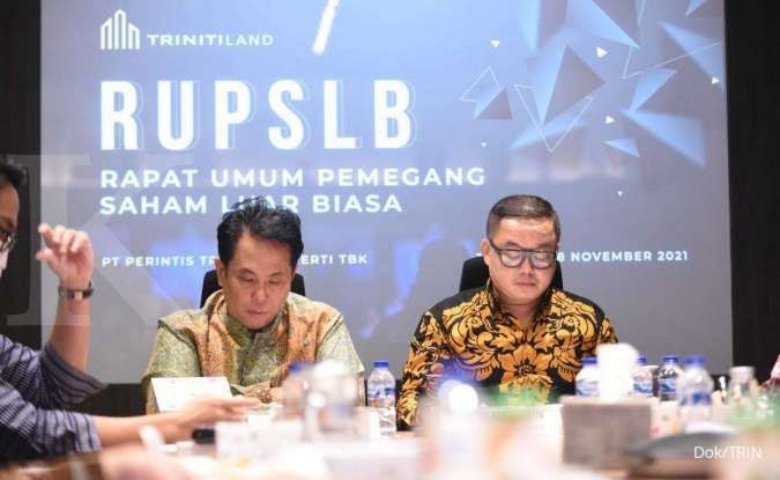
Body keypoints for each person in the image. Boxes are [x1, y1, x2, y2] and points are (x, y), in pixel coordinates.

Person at [0, 158, 258, 464]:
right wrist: (178, 425)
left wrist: (75, 288)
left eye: (6, 235)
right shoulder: (183, 327)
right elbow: (36, 434)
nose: (260, 293)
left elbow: (52, 386)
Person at [397, 194, 618, 429]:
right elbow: (407, 408)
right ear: (487, 251)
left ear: (556, 252)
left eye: (541, 255)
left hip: (565, 448)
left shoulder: (588, 321)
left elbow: (620, 399)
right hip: (477, 448)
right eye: (512, 254)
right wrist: (452, 414)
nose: (527, 269)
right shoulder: (444, 322)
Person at [142, 196, 364, 413]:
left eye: (275, 281)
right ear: (221, 272)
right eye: (248, 279)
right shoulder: (182, 332)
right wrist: (273, 395)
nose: (260, 295)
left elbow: (349, 404)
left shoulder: (322, 324)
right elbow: (169, 414)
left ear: (292, 275)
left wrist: (221, 400)